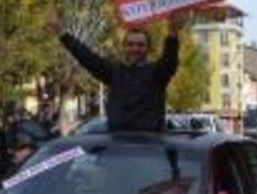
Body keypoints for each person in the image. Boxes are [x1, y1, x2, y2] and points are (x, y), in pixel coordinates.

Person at [50, 10, 185, 132]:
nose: (135, 49)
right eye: (130, 44)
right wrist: (62, 33)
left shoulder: (157, 73)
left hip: (150, 145)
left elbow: (170, 60)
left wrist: (173, 33)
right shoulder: (114, 72)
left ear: (148, 48)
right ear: (124, 47)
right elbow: (86, 57)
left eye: (140, 45)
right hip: (117, 144)